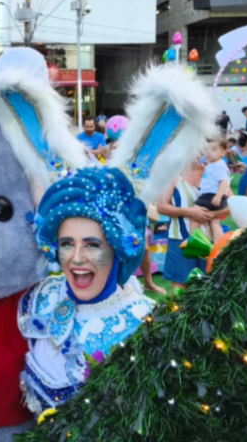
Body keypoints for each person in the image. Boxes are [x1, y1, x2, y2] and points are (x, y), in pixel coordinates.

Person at [18, 168, 154, 413]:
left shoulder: (145, 324)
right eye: (67, 244)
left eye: (92, 245)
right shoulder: (42, 299)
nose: (77, 258)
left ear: (117, 250)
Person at [157, 162, 213, 292]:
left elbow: (228, 203)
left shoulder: (212, 171)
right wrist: (190, 212)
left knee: (207, 286)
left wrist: (214, 214)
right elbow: (161, 207)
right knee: (180, 286)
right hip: (181, 239)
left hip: (209, 239)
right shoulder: (173, 174)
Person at [191, 140, 231, 241]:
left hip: (211, 196)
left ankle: (192, 239)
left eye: (213, 150)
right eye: (207, 150)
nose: (208, 152)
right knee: (215, 222)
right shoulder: (213, 164)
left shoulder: (219, 165)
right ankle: (218, 244)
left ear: (222, 152)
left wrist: (218, 196)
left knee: (195, 215)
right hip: (214, 196)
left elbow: (224, 181)